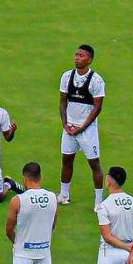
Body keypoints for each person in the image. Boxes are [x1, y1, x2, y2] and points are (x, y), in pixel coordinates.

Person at [57, 44, 106, 207]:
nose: (77, 58)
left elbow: (97, 107)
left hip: (87, 130)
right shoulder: (66, 77)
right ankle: (64, 194)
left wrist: (82, 127)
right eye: (76, 54)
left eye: (81, 55)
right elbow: (63, 101)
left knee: (94, 163)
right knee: (67, 160)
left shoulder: (96, 80)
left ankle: (99, 202)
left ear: (89, 60)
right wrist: (65, 124)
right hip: (70, 128)